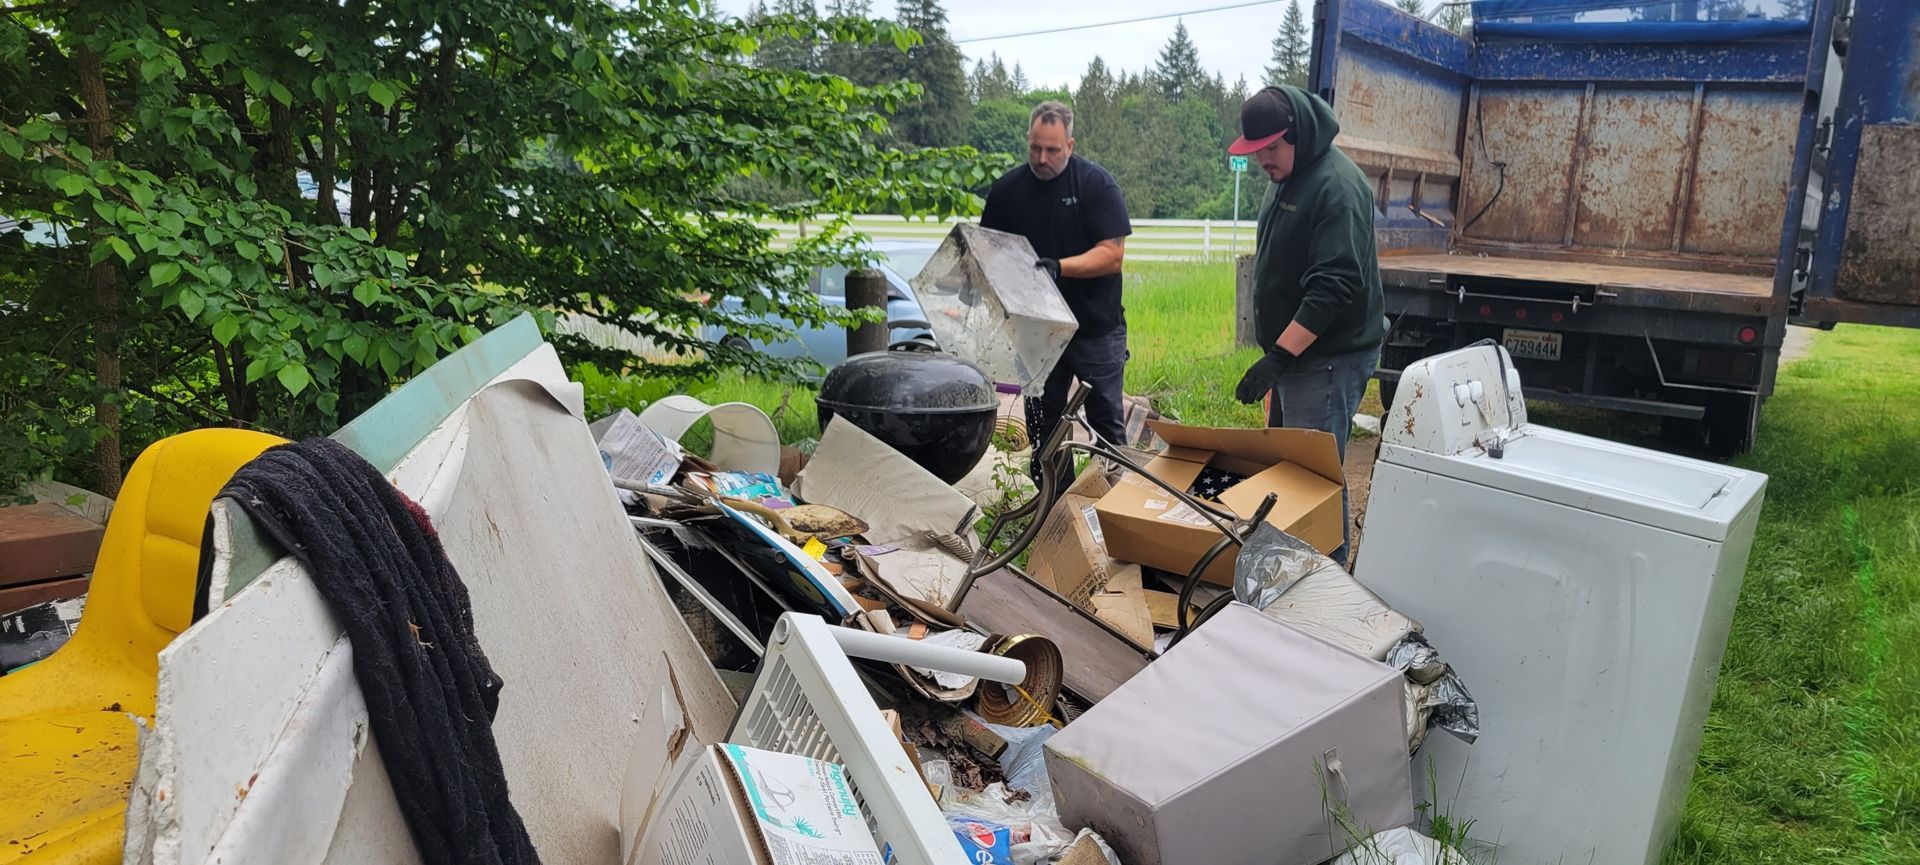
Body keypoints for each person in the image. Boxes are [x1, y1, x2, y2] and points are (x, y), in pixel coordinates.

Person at [1228, 84, 1386, 567]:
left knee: (1313, 480)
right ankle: (1291, 570)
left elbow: (1333, 287)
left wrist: (1278, 358)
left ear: (1297, 133)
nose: (1263, 161)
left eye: (1271, 148)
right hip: (1300, 357)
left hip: (1328, 359)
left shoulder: (1335, 186)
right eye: (1256, 152)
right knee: (1289, 472)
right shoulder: (1291, 177)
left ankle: (1326, 581)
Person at [979, 100, 1133, 469]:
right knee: (1042, 427)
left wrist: (1059, 268)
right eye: (1035, 147)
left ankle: (1117, 504)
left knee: (1106, 421)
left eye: (1052, 149)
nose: (1042, 157)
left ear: (1070, 145)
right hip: (1036, 332)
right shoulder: (1006, 191)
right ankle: (1053, 508)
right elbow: (988, 253)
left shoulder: (1096, 185)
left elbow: (1112, 254)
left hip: (1095, 327)